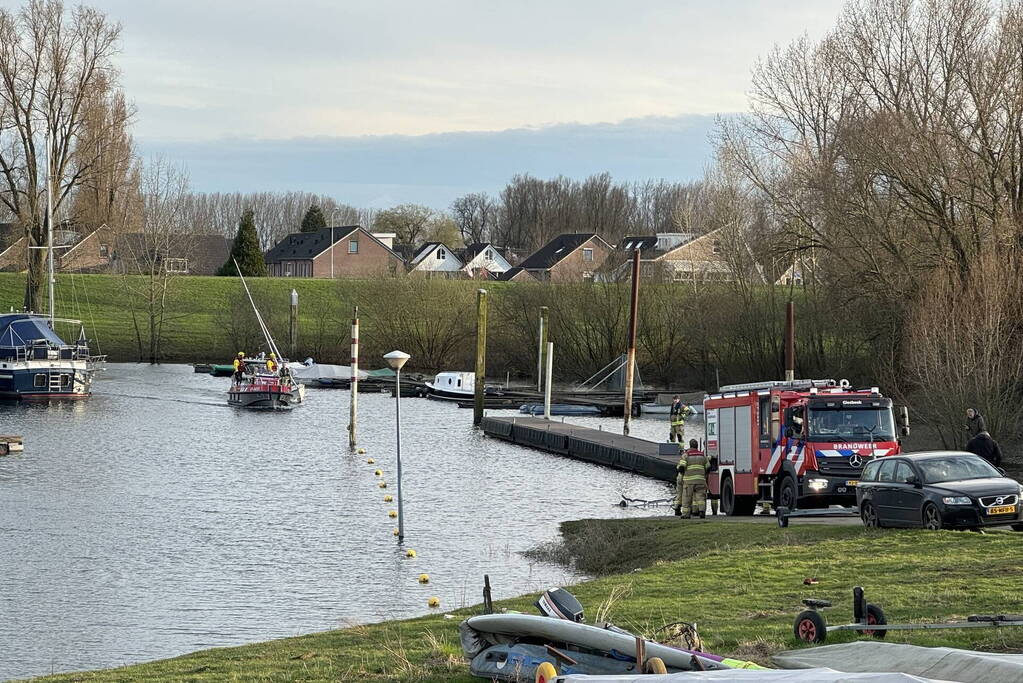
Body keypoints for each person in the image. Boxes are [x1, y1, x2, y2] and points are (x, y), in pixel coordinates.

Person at [674, 438, 710, 519]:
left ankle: (686, 515)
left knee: (687, 498)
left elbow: (681, 468)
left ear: (690, 446)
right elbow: (708, 468)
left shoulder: (686, 455)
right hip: (701, 480)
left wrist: (683, 475)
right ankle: (702, 512)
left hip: (689, 481)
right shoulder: (702, 455)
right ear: (697, 446)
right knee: (700, 497)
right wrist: (704, 476)